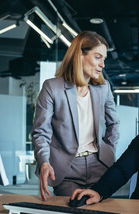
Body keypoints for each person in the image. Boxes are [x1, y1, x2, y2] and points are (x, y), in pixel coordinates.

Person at [32, 31, 120, 201]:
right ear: (80, 54)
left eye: (104, 59)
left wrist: (109, 149)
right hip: (66, 169)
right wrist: (44, 161)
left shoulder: (103, 88)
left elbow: (114, 123)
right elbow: (41, 131)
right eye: (97, 57)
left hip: (99, 165)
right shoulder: (52, 88)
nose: (102, 64)